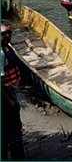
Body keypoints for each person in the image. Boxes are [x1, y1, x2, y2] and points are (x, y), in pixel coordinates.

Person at [1, 20, 25, 161]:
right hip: (7, 94)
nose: (7, 35)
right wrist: (8, 100)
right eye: (3, 33)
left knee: (10, 128)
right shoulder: (1, 53)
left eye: (10, 32)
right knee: (14, 128)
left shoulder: (6, 47)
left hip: (11, 91)